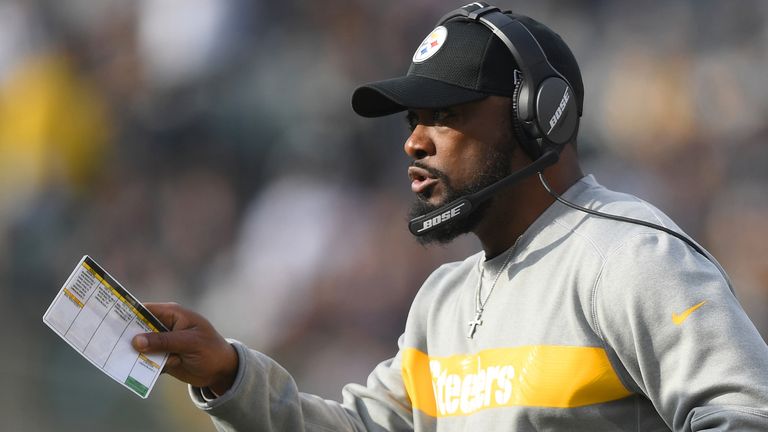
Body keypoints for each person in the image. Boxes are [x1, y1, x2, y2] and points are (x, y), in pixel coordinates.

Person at [132, 3, 768, 431]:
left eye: (446, 115)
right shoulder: (443, 302)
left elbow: (746, 414)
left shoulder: (631, 259)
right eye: (413, 122)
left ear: (536, 115)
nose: (414, 142)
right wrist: (228, 374)